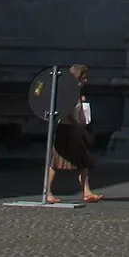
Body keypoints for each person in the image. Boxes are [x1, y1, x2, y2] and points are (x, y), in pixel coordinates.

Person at [45, 64, 101, 204]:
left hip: (71, 128)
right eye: (84, 78)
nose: (86, 81)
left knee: (82, 160)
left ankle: (86, 192)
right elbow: (67, 112)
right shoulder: (69, 91)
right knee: (55, 161)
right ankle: (48, 192)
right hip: (67, 129)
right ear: (78, 78)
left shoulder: (74, 92)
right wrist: (79, 128)